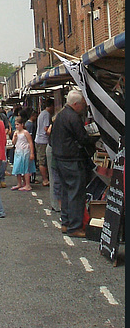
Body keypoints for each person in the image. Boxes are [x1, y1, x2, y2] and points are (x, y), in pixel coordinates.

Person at [50, 90, 96, 238]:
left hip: (60, 158)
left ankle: (66, 222)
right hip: (72, 159)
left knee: (65, 191)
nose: (83, 106)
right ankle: (75, 227)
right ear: (76, 104)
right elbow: (82, 138)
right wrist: (93, 140)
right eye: (82, 104)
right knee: (76, 193)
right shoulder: (73, 117)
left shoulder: (60, 115)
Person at [10, 117, 36, 191]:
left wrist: (32, 153)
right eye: (15, 125)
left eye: (18, 124)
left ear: (22, 124)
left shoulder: (25, 132)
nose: (16, 126)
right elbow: (13, 143)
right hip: (18, 151)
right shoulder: (16, 133)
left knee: (25, 168)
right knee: (17, 167)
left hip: (25, 152)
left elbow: (30, 142)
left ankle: (27, 184)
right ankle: (19, 183)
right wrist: (14, 137)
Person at [34, 98, 54, 187]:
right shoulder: (46, 115)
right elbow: (46, 129)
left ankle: (45, 178)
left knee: (42, 160)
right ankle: (45, 180)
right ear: (51, 106)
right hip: (43, 140)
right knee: (42, 161)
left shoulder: (42, 113)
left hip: (39, 139)